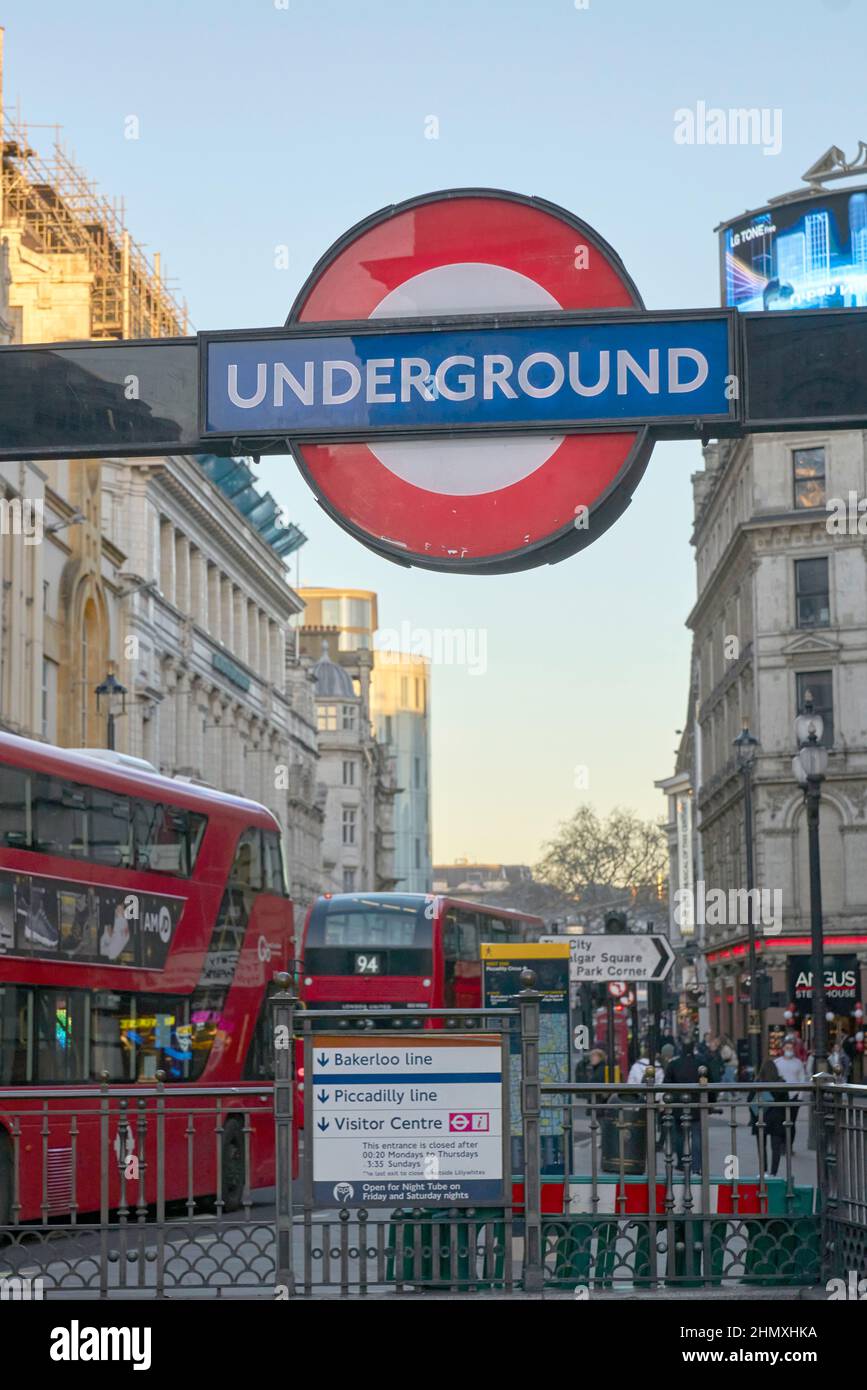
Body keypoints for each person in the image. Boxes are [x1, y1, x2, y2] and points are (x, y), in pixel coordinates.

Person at [664, 1040, 706, 1174]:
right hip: (696, 1105)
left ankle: (682, 1163)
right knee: (697, 1136)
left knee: (680, 1135)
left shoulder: (673, 1064)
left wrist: (668, 1101)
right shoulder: (700, 1064)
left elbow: (666, 1084)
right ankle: (696, 1166)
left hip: (678, 1105)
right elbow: (708, 1083)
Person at [750, 1057, 787, 1176]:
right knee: (775, 1148)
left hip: (761, 1117)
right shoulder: (781, 1083)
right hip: (777, 1118)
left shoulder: (758, 1083)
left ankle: (763, 1171)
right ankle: (773, 1173)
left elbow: (750, 1100)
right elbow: (786, 1101)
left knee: (761, 1147)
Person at [773, 1036, 808, 1148]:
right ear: (783, 1049)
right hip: (781, 1096)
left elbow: (802, 1078)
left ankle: (789, 1145)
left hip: (794, 1096)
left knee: (791, 1122)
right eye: (787, 1048)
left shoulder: (798, 1063)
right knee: (782, 1121)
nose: (789, 1050)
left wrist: (800, 1095)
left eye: (791, 1048)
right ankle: (782, 1143)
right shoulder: (777, 1062)